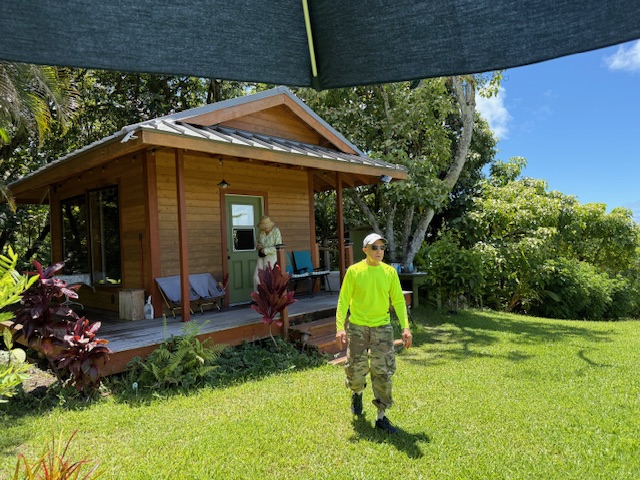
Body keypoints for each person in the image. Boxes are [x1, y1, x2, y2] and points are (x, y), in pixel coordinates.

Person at [335, 233, 412, 434]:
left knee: (383, 372)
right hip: (358, 328)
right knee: (355, 371)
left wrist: (405, 327)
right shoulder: (354, 271)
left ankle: (381, 417)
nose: (379, 251)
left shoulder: (389, 272)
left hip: (382, 329)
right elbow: (343, 300)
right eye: (374, 247)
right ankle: (357, 393)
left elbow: (398, 301)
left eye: (381, 248)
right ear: (365, 250)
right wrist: (340, 328)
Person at [253, 215, 282, 291]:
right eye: (264, 227)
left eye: (266, 226)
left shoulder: (276, 231)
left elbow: (278, 246)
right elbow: (256, 241)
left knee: (269, 278)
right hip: (261, 256)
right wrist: (257, 245)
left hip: (271, 257)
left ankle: (270, 296)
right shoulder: (261, 232)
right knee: (256, 277)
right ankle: (258, 296)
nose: (265, 228)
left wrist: (266, 250)